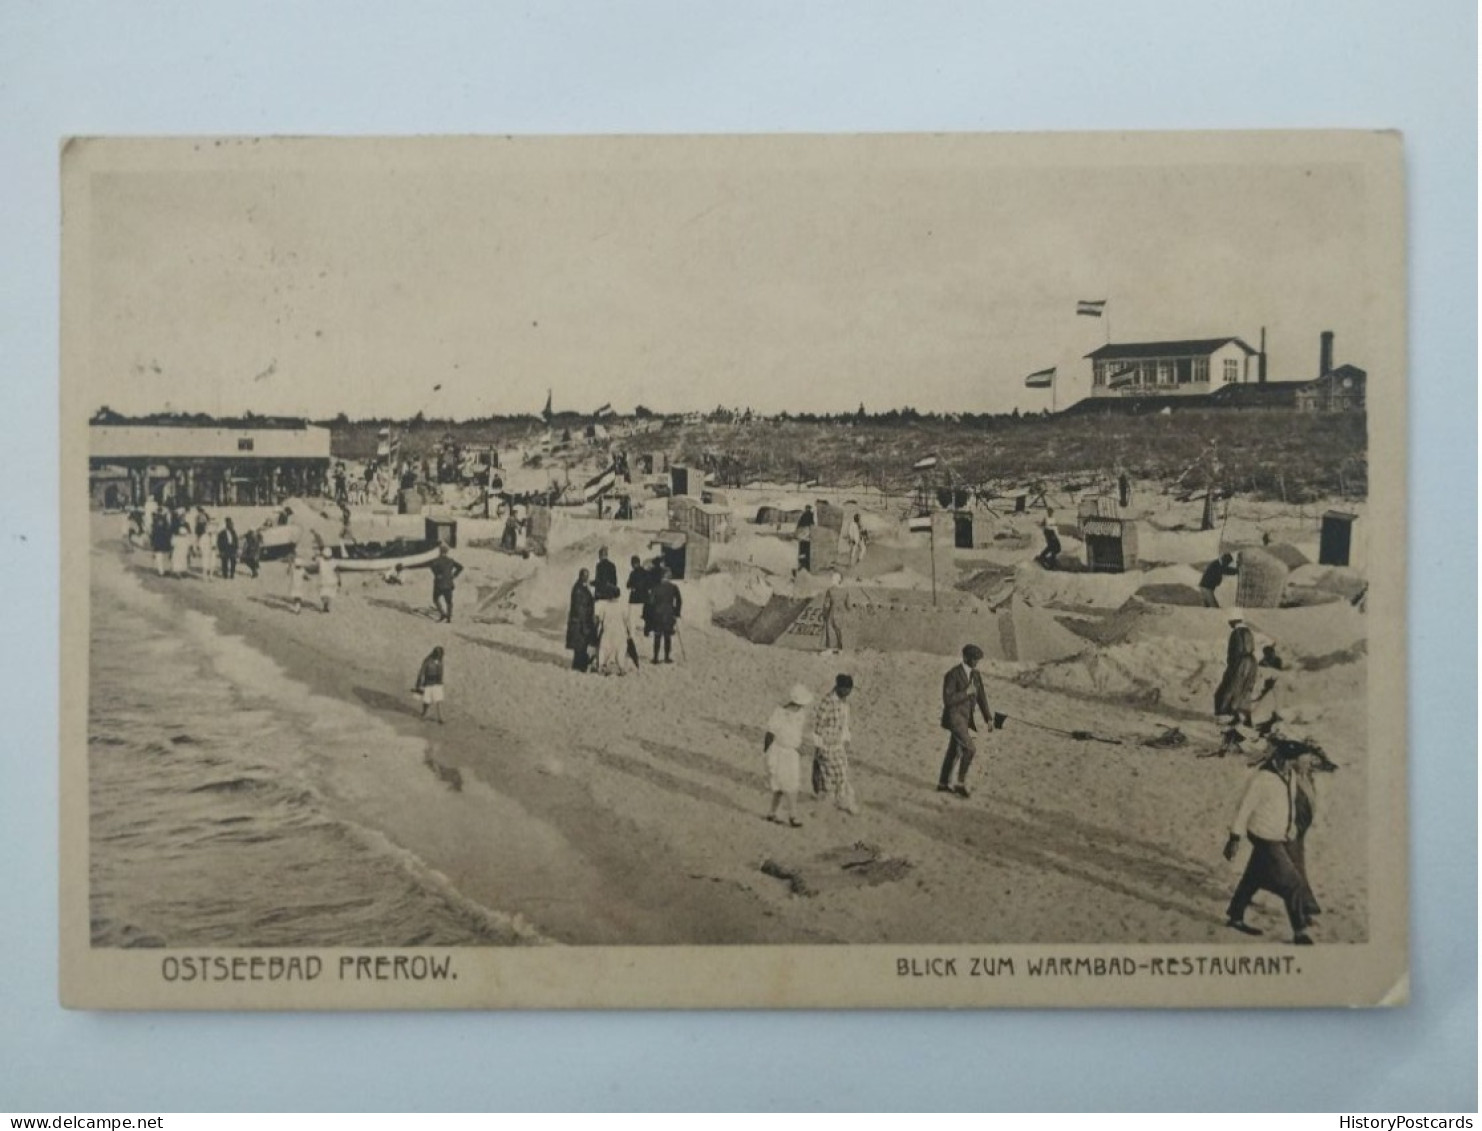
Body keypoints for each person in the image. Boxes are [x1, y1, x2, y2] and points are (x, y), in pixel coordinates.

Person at [1223, 740, 1327, 945]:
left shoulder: (1289, 776)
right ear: (1282, 760)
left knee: (1253, 877)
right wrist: (1234, 837)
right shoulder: (1263, 779)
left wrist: (1291, 828)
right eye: (1292, 762)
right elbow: (1244, 809)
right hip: (1264, 836)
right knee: (1293, 883)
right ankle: (1300, 932)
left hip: (1278, 835)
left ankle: (1235, 917)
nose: (1293, 766)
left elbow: (1290, 804)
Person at [938, 643, 994, 799]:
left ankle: (942, 783)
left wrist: (988, 717)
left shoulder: (976, 675)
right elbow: (948, 700)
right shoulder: (952, 674)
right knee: (970, 749)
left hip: (966, 718)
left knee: (954, 750)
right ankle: (959, 784)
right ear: (965, 658)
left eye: (977, 659)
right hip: (954, 718)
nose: (976, 662)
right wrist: (966, 692)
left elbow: (982, 697)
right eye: (973, 659)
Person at [763, 684, 814, 827]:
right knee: (783, 785)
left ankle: (773, 813)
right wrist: (767, 753)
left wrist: (800, 748)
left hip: (791, 753)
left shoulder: (800, 715)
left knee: (790, 784)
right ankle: (792, 816)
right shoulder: (779, 713)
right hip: (779, 752)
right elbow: (770, 734)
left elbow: (795, 736)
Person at [810, 673, 858, 815]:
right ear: (839, 687)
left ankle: (840, 800)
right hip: (826, 745)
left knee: (841, 772)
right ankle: (831, 803)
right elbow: (818, 726)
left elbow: (844, 724)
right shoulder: (827, 702)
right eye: (847, 690)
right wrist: (819, 747)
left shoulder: (844, 703)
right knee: (830, 774)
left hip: (838, 744)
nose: (848, 693)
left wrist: (846, 741)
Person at [1214, 617, 1258, 727]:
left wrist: (1232, 665)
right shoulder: (1248, 632)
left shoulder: (1237, 633)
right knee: (1245, 690)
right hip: (1252, 663)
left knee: (1230, 688)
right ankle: (1245, 718)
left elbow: (1237, 650)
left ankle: (1227, 714)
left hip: (1240, 663)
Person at [646, 566, 682, 664]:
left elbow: (650, 602)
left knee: (657, 636)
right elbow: (679, 600)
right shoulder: (674, 587)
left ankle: (656, 658)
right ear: (668, 576)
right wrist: (677, 612)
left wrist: (650, 614)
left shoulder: (655, 587)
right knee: (667, 636)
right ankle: (667, 658)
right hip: (669, 614)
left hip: (657, 614)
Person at [567, 568, 598, 671]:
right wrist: (586, 620)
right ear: (580, 576)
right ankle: (579, 666)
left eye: (587, 576)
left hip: (582, 621)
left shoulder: (582, 587)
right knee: (580, 645)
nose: (586, 578)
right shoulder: (578, 589)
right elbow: (578, 607)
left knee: (582, 645)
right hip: (579, 622)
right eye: (584, 576)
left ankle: (580, 665)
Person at [428, 544, 464, 622]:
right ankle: (449, 618)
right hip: (448, 583)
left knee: (435, 599)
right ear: (447, 552)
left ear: (440, 551)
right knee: (449, 601)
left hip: (439, 584)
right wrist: (454, 575)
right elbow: (460, 567)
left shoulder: (436, 560)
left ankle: (442, 614)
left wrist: (437, 574)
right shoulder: (450, 560)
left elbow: (432, 567)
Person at [414, 646, 446, 724]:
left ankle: (440, 717)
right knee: (427, 701)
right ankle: (424, 713)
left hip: (437, 683)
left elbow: (441, 672)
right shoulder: (428, 661)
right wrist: (419, 683)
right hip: (428, 683)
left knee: (438, 700)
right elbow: (421, 672)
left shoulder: (438, 661)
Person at [820, 571, 844, 653]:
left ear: (837, 580)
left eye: (833, 578)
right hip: (841, 613)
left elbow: (826, 604)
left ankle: (829, 649)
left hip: (831, 612)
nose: (832, 580)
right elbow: (848, 605)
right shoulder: (845, 591)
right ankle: (840, 648)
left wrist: (824, 613)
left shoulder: (830, 590)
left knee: (829, 629)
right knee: (839, 630)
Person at [149, 511, 172, 576]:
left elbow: (169, 537)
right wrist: (152, 545)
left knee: (165, 559)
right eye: (159, 521)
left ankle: (165, 570)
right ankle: (161, 572)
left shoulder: (166, 529)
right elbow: (152, 538)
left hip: (165, 546)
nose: (160, 522)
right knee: (159, 559)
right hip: (159, 547)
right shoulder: (155, 529)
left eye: (161, 521)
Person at [795, 505, 815, 572]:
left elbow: (798, 527)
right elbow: (813, 526)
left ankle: (801, 565)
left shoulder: (803, 516)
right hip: (808, 537)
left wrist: (798, 535)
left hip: (803, 537)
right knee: (807, 552)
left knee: (802, 551)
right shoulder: (811, 516)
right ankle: (806, 566)